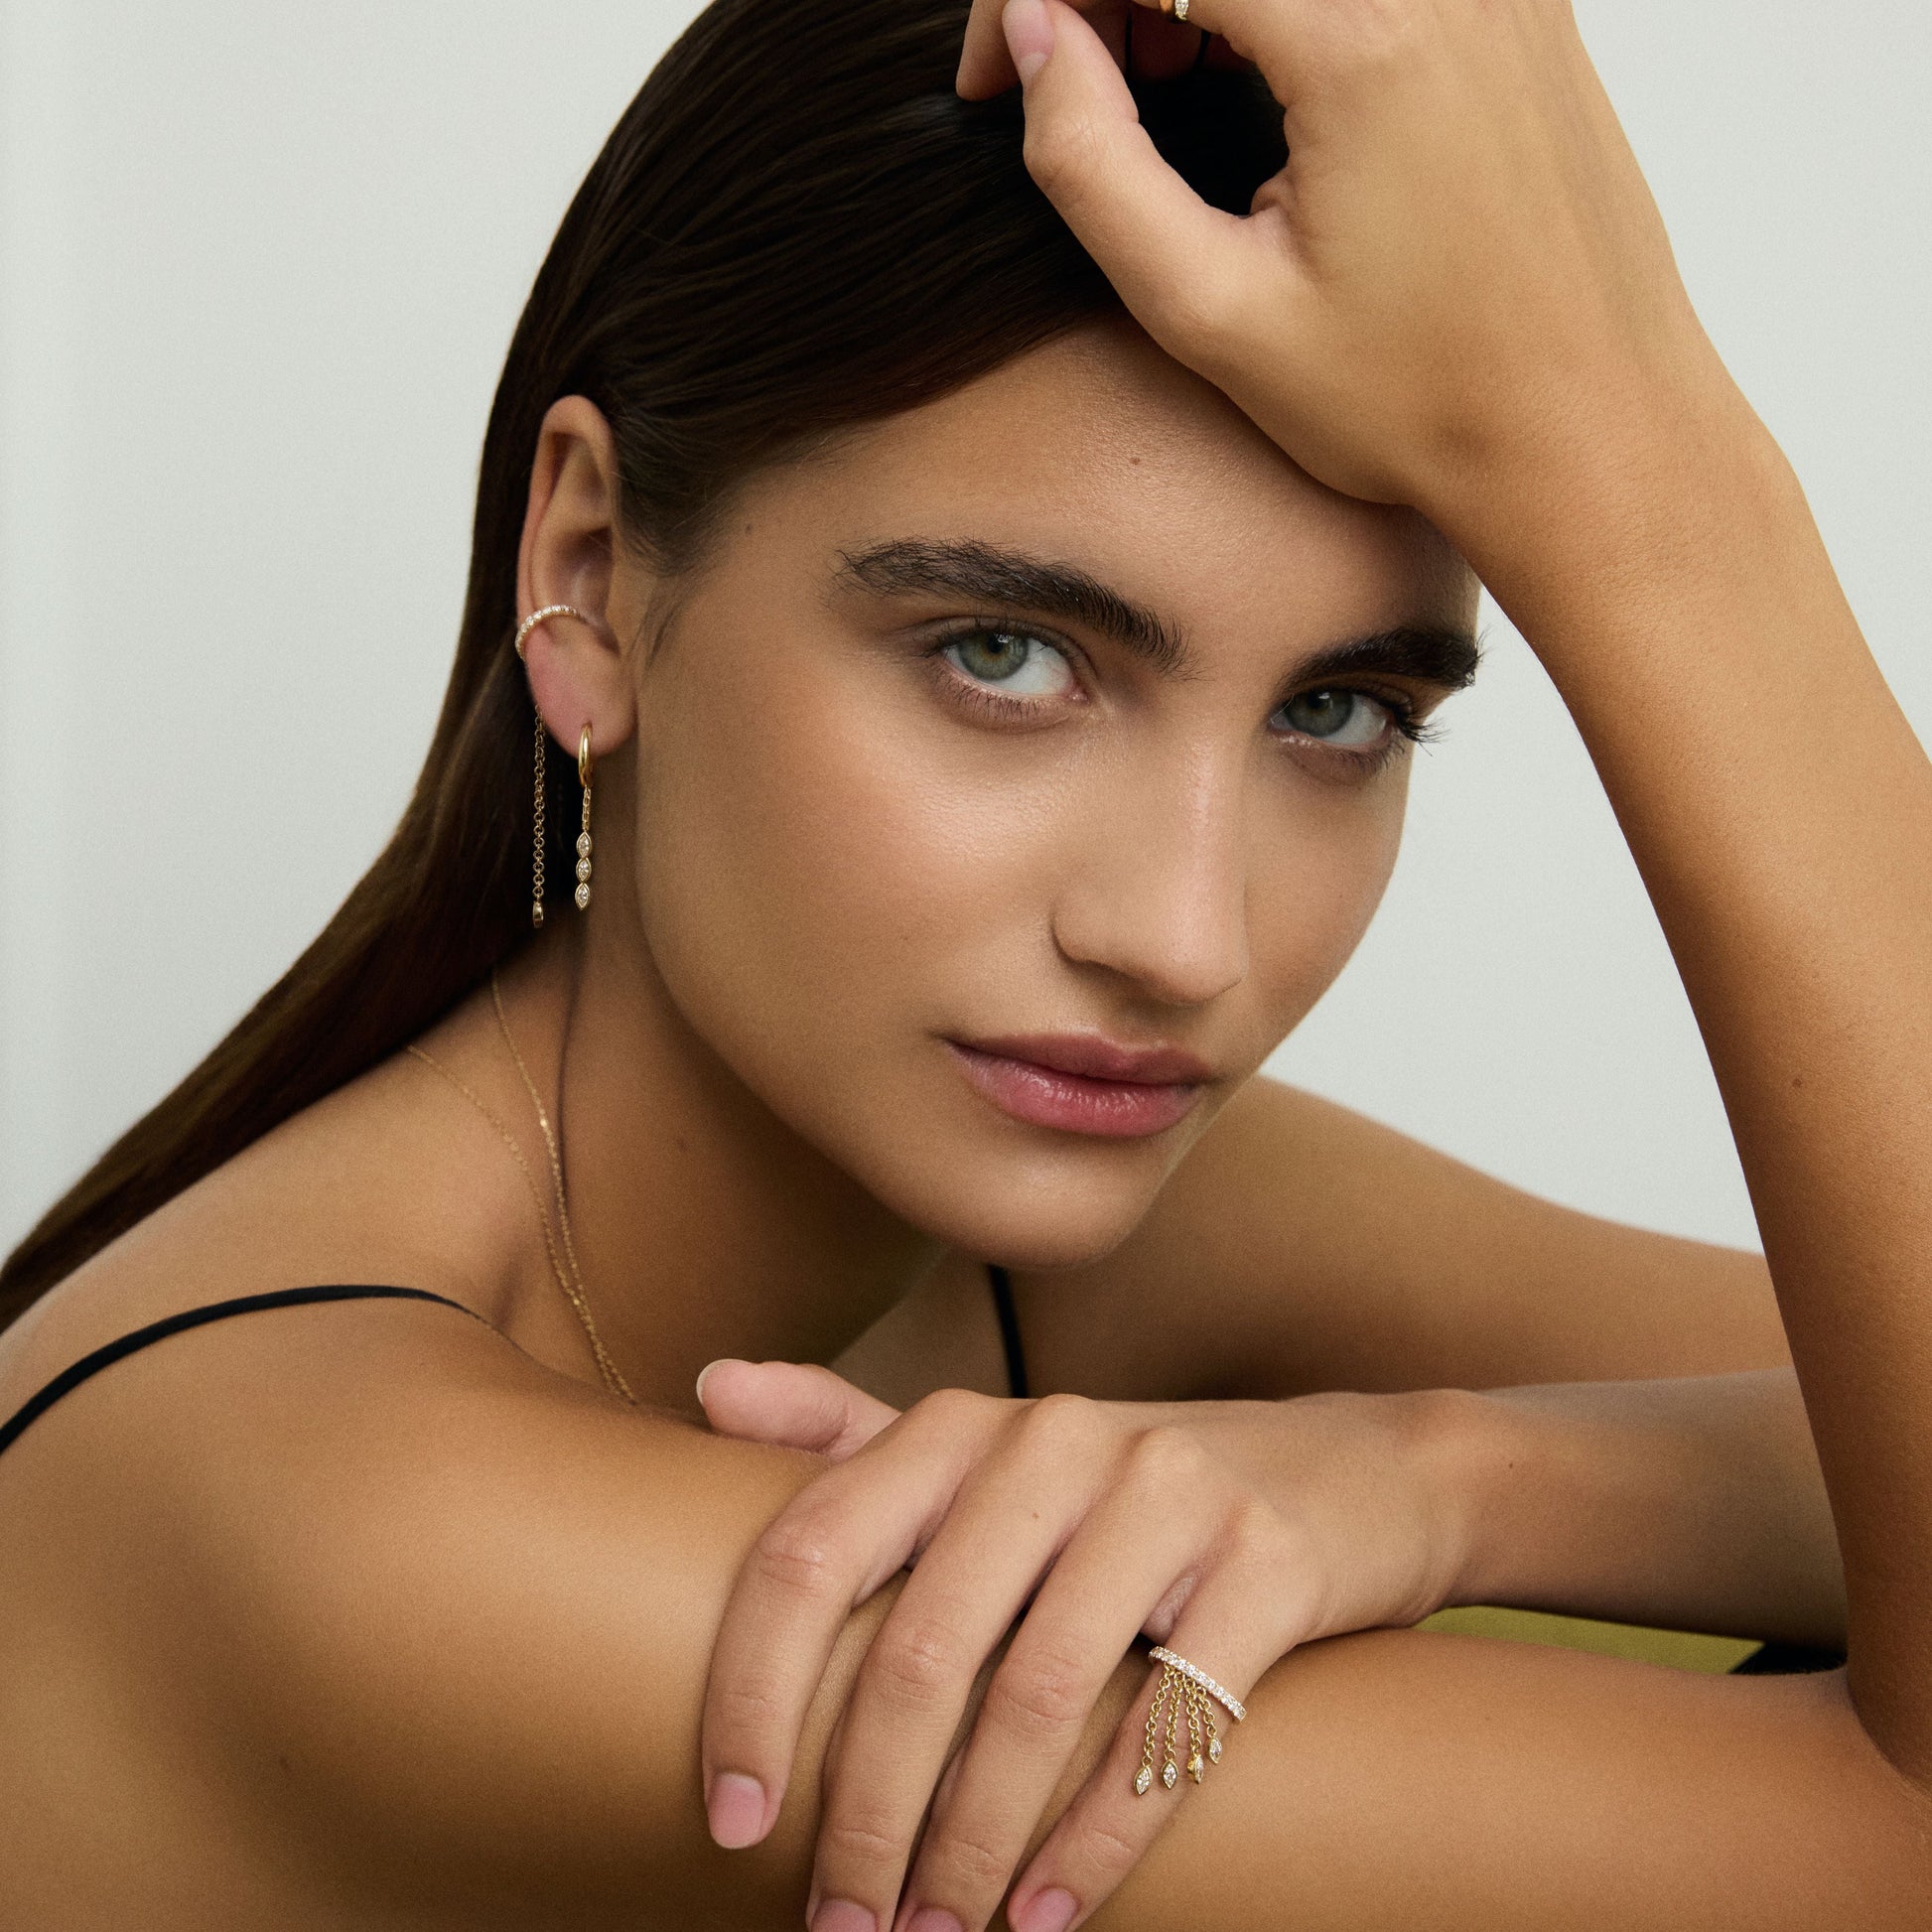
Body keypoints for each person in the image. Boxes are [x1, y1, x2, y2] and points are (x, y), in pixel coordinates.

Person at [0, 0, 1924, 1921]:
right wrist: (1628, 445)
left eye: (1336, 714)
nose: (1184, 939)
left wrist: (1432, 1476)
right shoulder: (363, 1530)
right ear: (588, 572)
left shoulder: (1063, 1225)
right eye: (1001, 656)